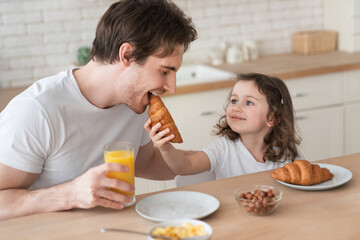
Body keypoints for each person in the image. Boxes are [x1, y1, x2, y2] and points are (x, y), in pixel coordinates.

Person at [0, 0, 197, 220]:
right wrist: (69, 194)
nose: (172, 87)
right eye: (164, 71)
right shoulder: (37, 111)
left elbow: (145, 162)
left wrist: (223, 155)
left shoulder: (134, 102)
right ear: (127, 55)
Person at [145, 73, 304, 180]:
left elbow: (302, 181)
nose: (236, 107)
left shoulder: (287, 153)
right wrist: (165, 147)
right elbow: (185, 167)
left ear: (272, 117)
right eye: (234, 100)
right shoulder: (223, 148)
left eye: (248, 102)